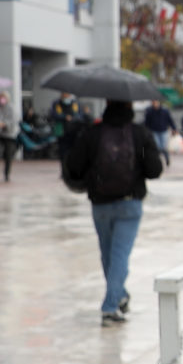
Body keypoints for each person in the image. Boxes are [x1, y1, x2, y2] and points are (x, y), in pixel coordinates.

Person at [60, 97, 163, 324]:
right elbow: (155, 170)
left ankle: (119, 295)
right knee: (119, 257)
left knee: (108, 255)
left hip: (101, 204)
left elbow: (75, 167)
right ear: (129, 106)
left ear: (106, 104)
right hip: (130, 203)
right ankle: (110, 305)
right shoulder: (140, 134)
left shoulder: (92, 134)